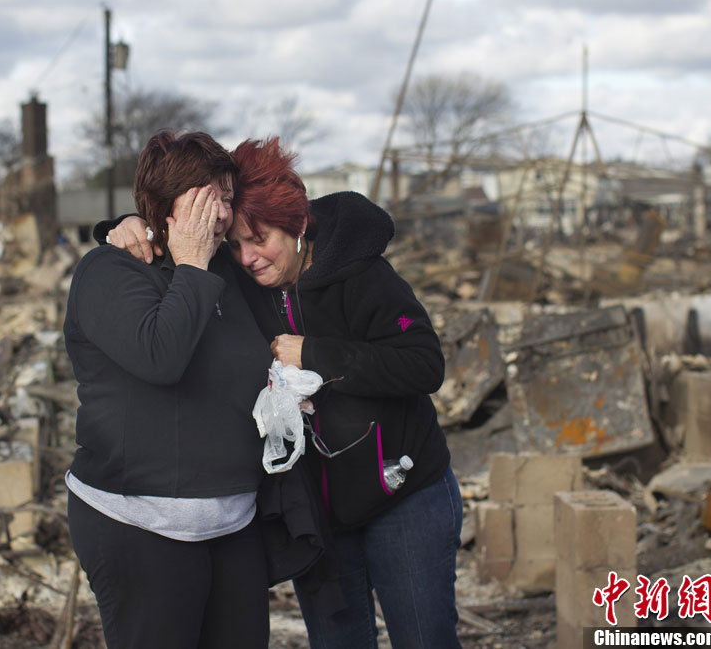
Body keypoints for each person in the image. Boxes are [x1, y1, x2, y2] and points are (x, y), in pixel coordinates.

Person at [107, 137, 462, 648]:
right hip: (315, 515)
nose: (248, 257)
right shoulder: (240, 279)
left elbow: (424, 363)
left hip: (402, 496)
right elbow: (174, 240)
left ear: (296, 226)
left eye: (262, 239)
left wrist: (314, 354)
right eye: (234, 245)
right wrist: (124, 227)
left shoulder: (362, 276)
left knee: (423, 640)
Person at [63, 130, 272, 648]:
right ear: (164, 203)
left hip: (233, 522)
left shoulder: (230, 269)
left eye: (227, 196)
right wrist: (192, 262)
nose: (220, 212)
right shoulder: (108, 270)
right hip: (138, 523)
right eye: (206, 195)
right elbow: (160, 357)